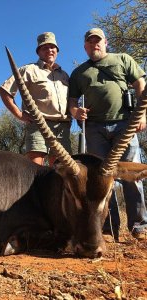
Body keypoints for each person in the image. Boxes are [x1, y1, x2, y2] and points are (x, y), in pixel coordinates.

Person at [69, 28, 147, 240]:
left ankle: (138, 227)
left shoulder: (122, 59)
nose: (95, 44)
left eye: (98, 41)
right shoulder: (79, 72)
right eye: (90, 42)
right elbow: (72, 102)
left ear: (106, 42)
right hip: (94, 129)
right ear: (85, 46)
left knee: (132, 176)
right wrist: (76, 111)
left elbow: (140, 83)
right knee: (101, 180)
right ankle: (108, 229)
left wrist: (142, 114)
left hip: (125, 125)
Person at [0, 32, 71, 166]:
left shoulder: (65, 75)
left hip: (62, 128)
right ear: (38, 52)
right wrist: (19, 114)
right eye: (45, 47)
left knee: (61, 174)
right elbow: (4, 91)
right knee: (35, 172)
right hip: (39, 125)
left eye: (52, 47)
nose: (49, 50)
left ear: (57, 51)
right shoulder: (28, 70)